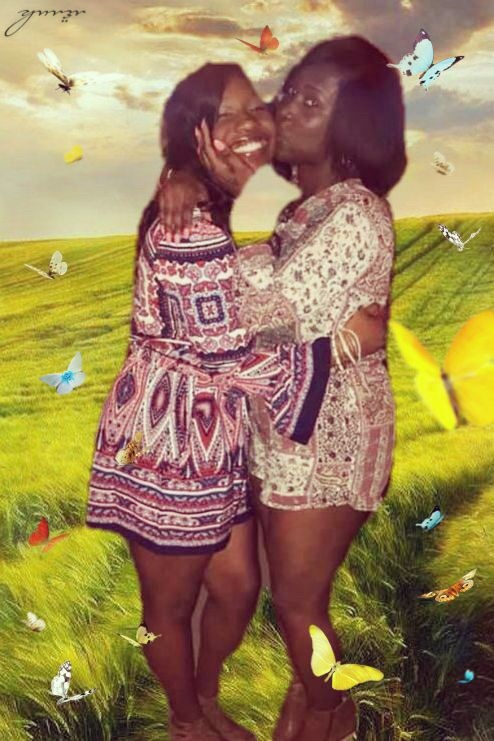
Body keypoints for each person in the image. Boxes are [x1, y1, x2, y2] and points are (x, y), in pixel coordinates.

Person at [158, 35, 405, 741]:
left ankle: (331, 711)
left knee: (297, 603)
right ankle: (305, 690)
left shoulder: (354, 213)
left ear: (352, 126)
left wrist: (205, 223)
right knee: (294, 595)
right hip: (288, 430)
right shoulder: (307, 213)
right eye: (289, 91)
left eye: (308, 101)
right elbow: (251, 304)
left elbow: (259, 309)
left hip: (329, 444)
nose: (282, 109)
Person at [86, 61, 339, 741]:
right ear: (194, 133)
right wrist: (328, 359)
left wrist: (186, 174)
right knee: (167, 606)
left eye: (254, 107)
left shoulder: (196, 201)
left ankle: (199, 697)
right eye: (226, 114)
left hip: (206, 436)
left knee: (235, 586)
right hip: (168, 444)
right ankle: (187, 721)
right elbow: (225, 353)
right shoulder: (190, 224)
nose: (250, 122)